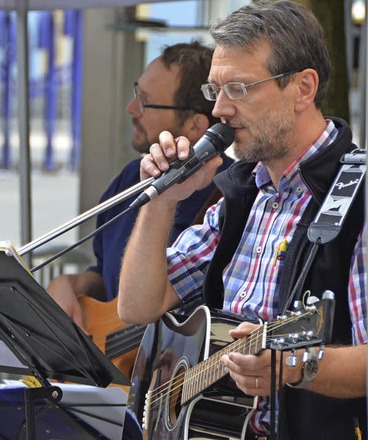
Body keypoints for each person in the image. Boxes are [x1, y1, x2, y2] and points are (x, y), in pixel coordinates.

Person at [118, 1, 366, 439]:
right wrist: (160, 201)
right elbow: (137, 305)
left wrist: (295, 366)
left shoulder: (359, 197)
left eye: (239, 88)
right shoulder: (242, 194)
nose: (219, 111)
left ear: (303, 88)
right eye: (216, 91)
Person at [47, 42, 233, 329]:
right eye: (137, 94)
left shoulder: (233, 196)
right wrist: (70, 284)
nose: (131, 108)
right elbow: (106, 277)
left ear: (196, 126)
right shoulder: (130, 178)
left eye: (145, 101)